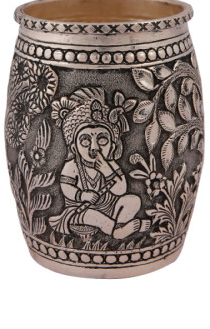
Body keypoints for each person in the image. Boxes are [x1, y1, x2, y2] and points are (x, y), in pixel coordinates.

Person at [49, 87, 150, 239]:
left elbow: (121, 190)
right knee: (93, 215)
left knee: (133, 200)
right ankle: (116, 232)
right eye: (85, 141)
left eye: (102, 140)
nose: (94, 147)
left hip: (109, 207)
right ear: (74, 148)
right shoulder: (73, 166)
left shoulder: (110, 164)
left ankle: (120, 225)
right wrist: (82, 195)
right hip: (81, 209)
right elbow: (66, 187)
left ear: (112, 147)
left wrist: (107, 171)